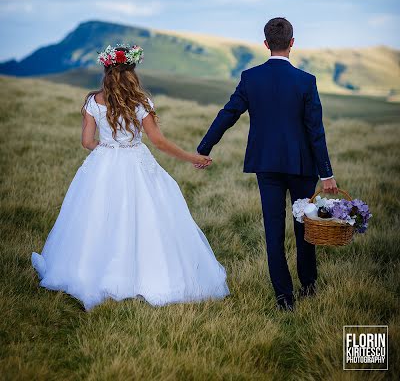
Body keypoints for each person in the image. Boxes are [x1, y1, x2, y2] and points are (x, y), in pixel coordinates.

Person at [32, 43, 229, 310]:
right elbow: (158, 142)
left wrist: (107, 149)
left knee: (98, 217)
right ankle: (144, 274)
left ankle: (91, 273)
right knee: (146, 215)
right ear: (132, 71)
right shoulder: (141, 102)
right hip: (136, 161)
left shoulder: (93, 101)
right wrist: (194, 157)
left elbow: (87, 141)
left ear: (106, 69)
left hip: (103, 162)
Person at [197, 17, 337, 311]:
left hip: (267, 165)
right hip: (302, 166)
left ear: (265, 44)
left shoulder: (250, 78)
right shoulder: (306, 81)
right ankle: (309, 286)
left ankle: (284, 298)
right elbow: (316, 130)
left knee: (273, 230)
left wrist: (205, 147)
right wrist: (327, 173)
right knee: (305, 226)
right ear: (292, 43)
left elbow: (228, 113)